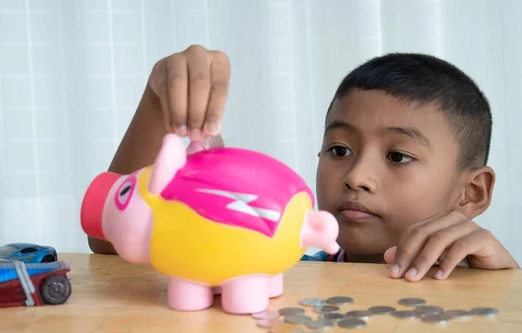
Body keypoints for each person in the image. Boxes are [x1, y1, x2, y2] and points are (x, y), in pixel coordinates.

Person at [88, 44, 520, 282]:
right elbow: (115, 238)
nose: (356, 177)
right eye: (339, 150)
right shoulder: (277, 269)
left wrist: (509, 286)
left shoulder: (489, 280)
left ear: (472, 192)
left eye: (398, 156)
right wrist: (160, 101)